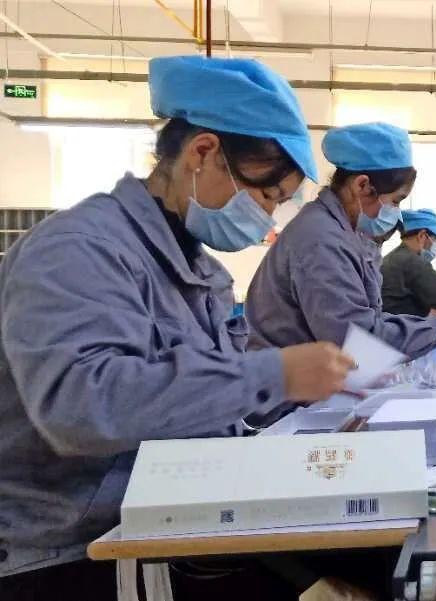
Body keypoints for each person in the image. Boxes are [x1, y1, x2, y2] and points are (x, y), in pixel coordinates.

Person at [0, 56, 355, 600]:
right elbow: (80, 408)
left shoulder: (201, 274)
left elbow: (209, 407)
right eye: (265, 196)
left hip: (166, 518)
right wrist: (273, 374)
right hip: (70, 549)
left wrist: (312, 422)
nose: (266, 217)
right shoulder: (77, 250)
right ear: (203, 152)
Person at [246, 122, 436, 358]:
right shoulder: (322, 240)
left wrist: (426, 326)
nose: (396, 213)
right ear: (362, 185)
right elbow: (356, 341)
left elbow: (367, 319)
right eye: (395, 201)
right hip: (292, 379)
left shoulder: (342, 234)